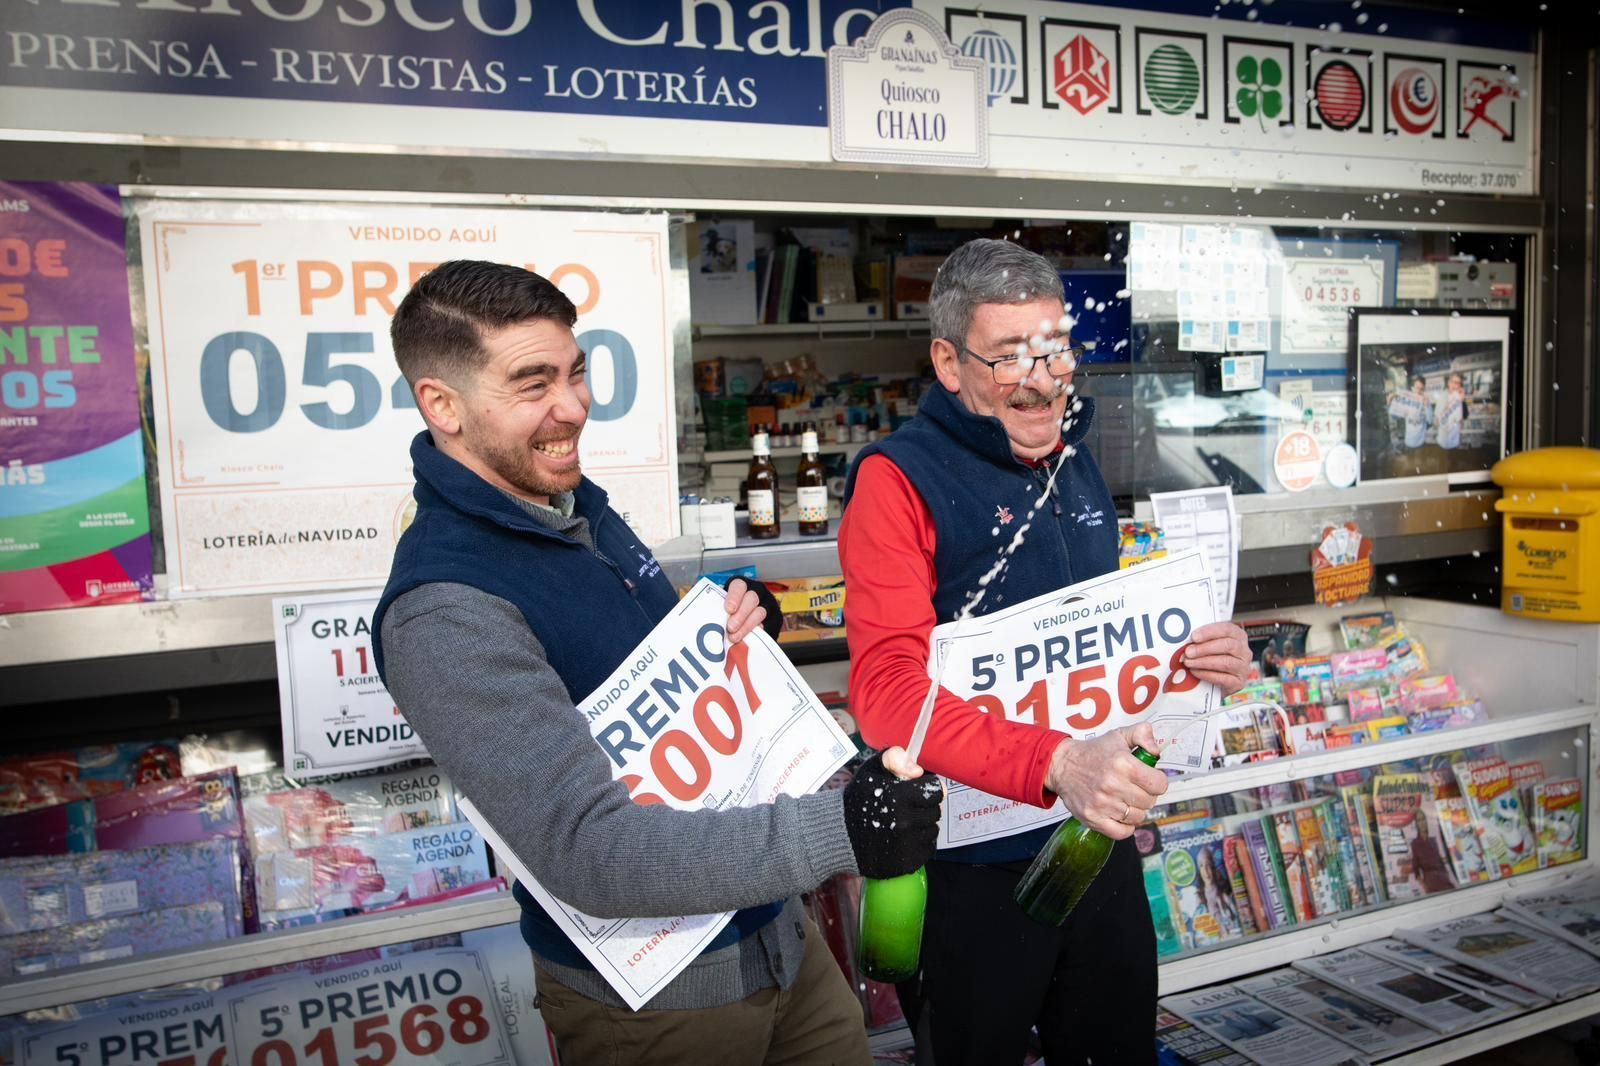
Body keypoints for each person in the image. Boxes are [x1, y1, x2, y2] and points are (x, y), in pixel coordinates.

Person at [371, 260, 943, 1065]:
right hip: (660, 1007)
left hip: (778, 941)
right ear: (443, 405)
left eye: (575, 373)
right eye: (533, 384)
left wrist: (729, 624)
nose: (573, 407)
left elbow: (636, 668)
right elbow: (589, 851)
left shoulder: (571, 505)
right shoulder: (445, 607)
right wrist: (843, 829)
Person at [838, 239, 1253, 1065]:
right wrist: (1059, 762)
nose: (1045, 379)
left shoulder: (1073, 457)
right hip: (968, 870)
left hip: (1094, 844)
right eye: (1010, 357)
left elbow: (1093, 645)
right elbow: (886, 695)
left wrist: (1200, 657)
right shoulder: (896, 480)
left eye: (1057, 349)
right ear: (948, 364)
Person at [1387, 375, 1432, 449]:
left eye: (1421, 389)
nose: (1419, 391)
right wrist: (1389, 403)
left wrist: (1427, 406)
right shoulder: (1406, 402)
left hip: (1421, 443)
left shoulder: (1426, 402)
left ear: (1424, 390)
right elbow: (1394, 417)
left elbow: (1430, 421)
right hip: (1408, 442)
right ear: (1412, 388)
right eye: (1417, 388)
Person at [1435, 372, 1469, 450]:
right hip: (1442, 440)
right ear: (1449, 383)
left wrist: (1462, 401)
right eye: (1454, 382)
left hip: (1454, 441)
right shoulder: (1442, 396)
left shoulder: (1460, 397)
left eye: (1458, 383)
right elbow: (1437, 419)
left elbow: (1465, 416)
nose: (1456, 385)